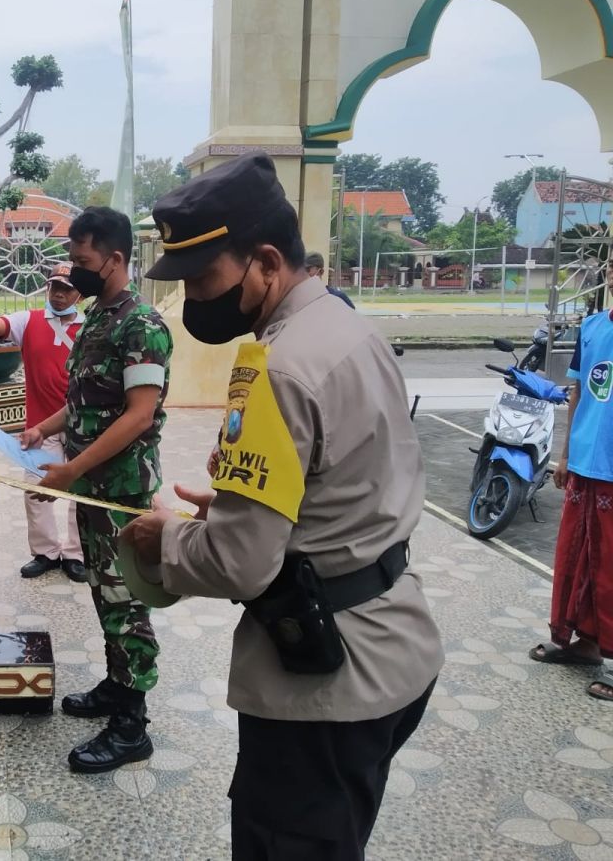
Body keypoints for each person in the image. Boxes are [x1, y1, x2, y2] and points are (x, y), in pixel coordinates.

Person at [121, 152, 443, 859]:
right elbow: (350, 476)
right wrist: (235, 502)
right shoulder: (349, 328)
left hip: (324, 684)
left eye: (205, 278)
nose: (194, 299)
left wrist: (165, 541)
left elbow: (241, 564)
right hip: (395, 645)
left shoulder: (272, 368)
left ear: (265, 262)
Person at [21, 207, 172, 774]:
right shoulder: (98, 321)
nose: (74, 271)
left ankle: (132, 726)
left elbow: (137, 416)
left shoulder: (142, 326)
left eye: (83, 262)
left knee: (125, 599)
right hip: (92, 486)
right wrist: (45, 429)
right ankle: (115, 686)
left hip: (121, 492)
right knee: (104, 593)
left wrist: (70, 468)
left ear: (114, 259)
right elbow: (86, 402)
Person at [0, 263, 86, 583]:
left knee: (81, 488)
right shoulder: (30, 320)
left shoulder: (91, 325)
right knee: (35, 486)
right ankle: (45, 551)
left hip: (82, 422)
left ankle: (77, 553)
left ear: (79, 293)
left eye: (66, 289)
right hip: (41, 424)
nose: (60, 294)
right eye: (54, 288)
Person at [529, 260, 613, 701]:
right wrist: (565, 454)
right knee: (579, 558)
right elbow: (579, 391)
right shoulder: (594, 326)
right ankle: (585, 644)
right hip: (585, 462)